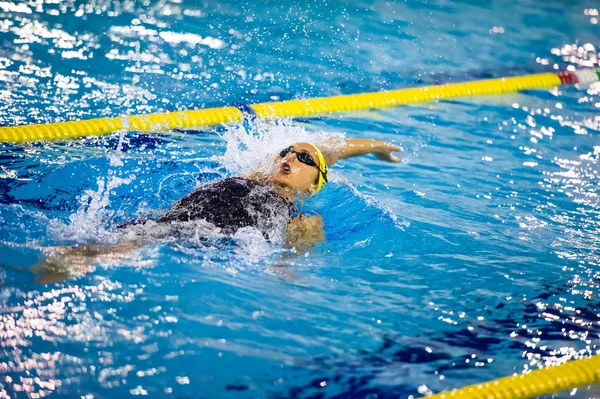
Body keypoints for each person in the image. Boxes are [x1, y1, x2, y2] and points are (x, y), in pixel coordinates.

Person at [29, 138, 402, 283]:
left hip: (209, 234)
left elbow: (291, 263)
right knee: (135, 232)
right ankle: (57, 266)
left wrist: (378, 147)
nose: (290, 157)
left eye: (303, 158)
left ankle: (59, 268)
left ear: (316, 182)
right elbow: (326, 153)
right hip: (175, 218)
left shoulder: (303, 219)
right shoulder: (253, 176)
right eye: (286, 152)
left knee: (138, 242)